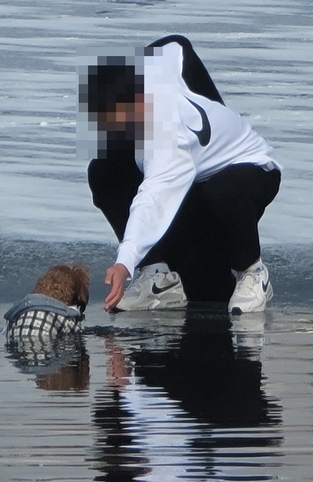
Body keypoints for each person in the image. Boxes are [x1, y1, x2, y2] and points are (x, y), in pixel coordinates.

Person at [80, 35, 282, 314]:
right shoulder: (153, 85)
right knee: (104, 170)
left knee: (220, 192)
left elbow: (152, 199)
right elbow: (175, 46)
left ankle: (253, 271)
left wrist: (123, 263)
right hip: (195, 161)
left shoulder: (165, 139)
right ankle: (158, 278)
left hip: (251, 168)